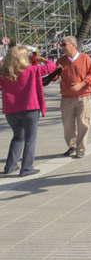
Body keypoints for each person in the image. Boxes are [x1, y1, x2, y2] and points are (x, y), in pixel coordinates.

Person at [0, 47, 56, 176]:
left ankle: (10, 166)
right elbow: (51, 66)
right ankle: (26, 168)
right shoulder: (32, 70)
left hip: (11, 110)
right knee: (30, 139)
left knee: (18, 137)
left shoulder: (5, 73)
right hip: (30, 108)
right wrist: (41, 59)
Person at [57, 36, 91, 159]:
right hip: (66, 98)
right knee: (67, 125)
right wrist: (52, 73)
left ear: (73, 45)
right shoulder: (60, 61)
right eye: (61, 44)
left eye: (64, 44)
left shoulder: (85, 58)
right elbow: (54, 77)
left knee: (83, 123)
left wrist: (81, 84)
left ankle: (81, 149)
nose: (62, 47)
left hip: (83, 97)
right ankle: (72, 146)